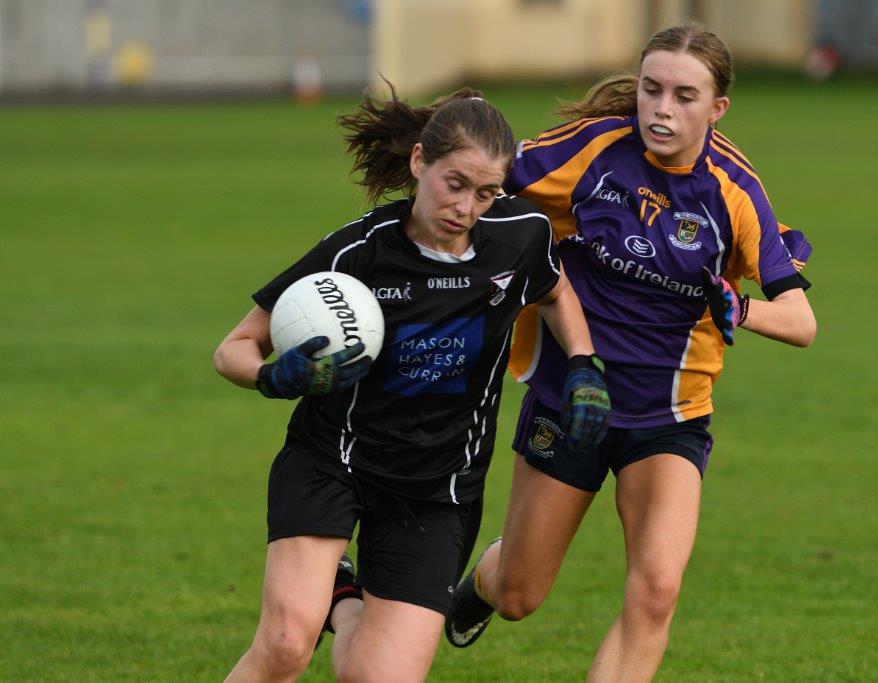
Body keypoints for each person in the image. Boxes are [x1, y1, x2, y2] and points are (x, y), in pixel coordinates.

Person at [445, 22, 817, 681]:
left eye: (683, 95)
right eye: (651, 90)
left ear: (717, 107)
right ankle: (481, 583)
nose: (662, 110)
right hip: (573, 399)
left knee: (656, 590)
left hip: (669, 419)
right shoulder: (594, 150)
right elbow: (490, 176)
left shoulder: (734, 190)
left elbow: (801, 319)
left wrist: (741, 308)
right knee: (519, 596)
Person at [214, 87, 611, 682]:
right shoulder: (358, 253)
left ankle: (343, 601)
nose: (467, 206)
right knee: (285, 646)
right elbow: (232, 349)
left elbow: (552, 287)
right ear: (420, 161)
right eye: (455, 183)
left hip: (437, 487)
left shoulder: (520, 236)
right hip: (333, 460)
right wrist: (274, 376)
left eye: (486, 192)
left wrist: (582, 362)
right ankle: (329, 603)